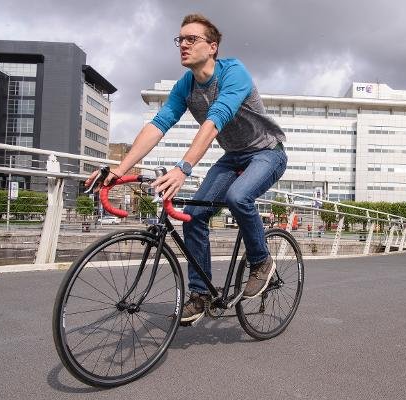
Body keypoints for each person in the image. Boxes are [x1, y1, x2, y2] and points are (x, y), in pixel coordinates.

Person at [85, 14, 287, 323]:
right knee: (193, 216)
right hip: (233, 156)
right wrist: (118, 169)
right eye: (180, 39)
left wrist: (183, 168)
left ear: (212, 47)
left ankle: (261, 262)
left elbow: (215, 120)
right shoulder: (186, 86)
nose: (183, 44)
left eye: (191, 39)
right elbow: (158, 125)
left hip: (267, 152)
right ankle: (200, 293)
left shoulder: (234, 73)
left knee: (238, 197)